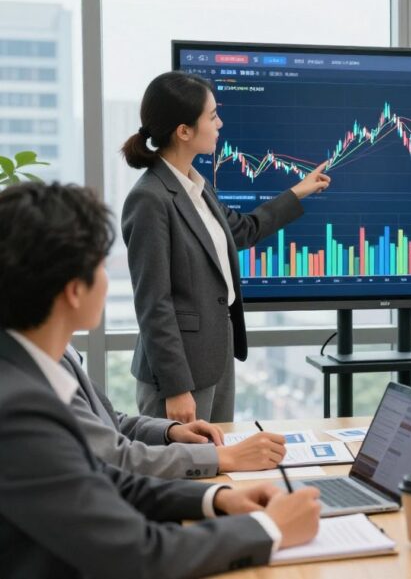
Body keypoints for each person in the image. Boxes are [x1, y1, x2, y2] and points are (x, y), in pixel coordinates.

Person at [0, 181, 321, 578]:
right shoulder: (18, 412)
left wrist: (217, 498)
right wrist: (271, 528)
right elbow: (139, 555)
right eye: (101, 265)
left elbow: (107, 479)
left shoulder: (31, 367)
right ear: (73, 291)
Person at [121, 71, 331, 423]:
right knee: (184, 472)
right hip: (179, 375)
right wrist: (175, 387)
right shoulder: (149, 198)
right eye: (212, 115)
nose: (220, 123)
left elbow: (244, 230)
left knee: (217, 464)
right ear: (183, 131)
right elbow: (153, 303)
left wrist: (299, 192)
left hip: (215, 359)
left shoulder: (197, 187)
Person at [63, 345, 287, 478]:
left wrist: (170, 431)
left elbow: (107, 421)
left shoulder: (63, 354)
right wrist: (222, 457)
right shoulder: (50, 371)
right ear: (74, 292)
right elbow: (118, 458)